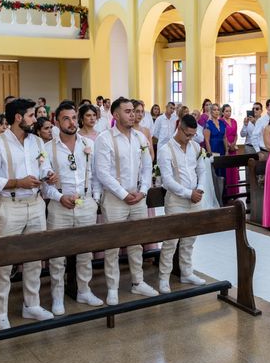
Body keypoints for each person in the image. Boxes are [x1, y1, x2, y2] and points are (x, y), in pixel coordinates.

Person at [0, 98, 58, 330]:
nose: (36, 119)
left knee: (34, 257)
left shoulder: (36, 142)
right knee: (4, 261)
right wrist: (16, 182)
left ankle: (31, 304)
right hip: (9, 206)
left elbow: (43, 166)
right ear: (18, 117)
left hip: (35, 204)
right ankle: (0, 311)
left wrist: (49, 174)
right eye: (32, 115)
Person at [42, 102, 103, 316]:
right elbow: (44, 184)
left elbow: (95, 174)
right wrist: (59, 196)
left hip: (86, 203)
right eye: (66, 118)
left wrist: (94, 199)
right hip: (60, 205)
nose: (71, 122)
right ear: (57, 122)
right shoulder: (48, 147)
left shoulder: (87, 143)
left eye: (74, 118)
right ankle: (57, 297)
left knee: (85, 251)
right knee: (57, 255)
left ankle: (84, 290)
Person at [95, 97, 158, 303]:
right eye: (128, 111)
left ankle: (138, 282)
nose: (133, 115)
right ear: (115, 115)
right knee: (113, 245)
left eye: (134, 111)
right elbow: (102, 173)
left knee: (136, 242)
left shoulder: (140, 137)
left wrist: (143, 190)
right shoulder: (105, 138)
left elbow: (148, 166)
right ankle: (112, 287)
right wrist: (123, 194)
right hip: (115, 199)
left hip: (138, 197)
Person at [157, 114, 208, 293]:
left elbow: (202, 170)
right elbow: (167, 181)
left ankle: (186, 272)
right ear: (179, 128)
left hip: (195, 198)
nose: (190, 138)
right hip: (177, 200)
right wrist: (188, 193)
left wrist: (200, 188)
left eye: (193, 135)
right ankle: (164, 278)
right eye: (187, 134)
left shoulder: (195, 147)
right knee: (171, 241)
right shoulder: (165, 150)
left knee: (190, 239)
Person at [204, 104, 228, 178]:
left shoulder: (222, 123)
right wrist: (210, 153)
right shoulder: (208, 124)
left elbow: (224, 137)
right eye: (214, 110)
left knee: (223, 172)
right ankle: (216, 189)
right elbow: (206, 140)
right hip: (213, 148)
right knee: (215, 172)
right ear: (211, 111)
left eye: (218, 110)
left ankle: (223, 189)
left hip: (222, 149)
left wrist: (227, 150)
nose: (216, 111)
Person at [221, 104, 239, 194]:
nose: (229, 113)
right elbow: (222, 135)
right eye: (227, 111)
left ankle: (234, 191)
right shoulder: (220, 121)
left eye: (230, 111)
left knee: (234, 169)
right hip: (225, 147)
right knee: (227, 170)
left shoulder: (234, 121)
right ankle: (227, 193)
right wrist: (228, 145)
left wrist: (234, 144)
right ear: (223, 112)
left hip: (233, 147)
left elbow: (236, 134)